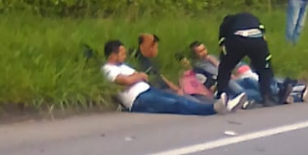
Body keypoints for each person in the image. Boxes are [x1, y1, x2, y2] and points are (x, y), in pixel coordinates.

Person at [101, 40, 245, 115]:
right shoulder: (108, 69)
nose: (124, 56)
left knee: (179, 99)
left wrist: (137, 76)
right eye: (122, 53)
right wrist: (137, 76)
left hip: (148, 91)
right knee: (176, 105)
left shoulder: (122, 67)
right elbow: (126, 80)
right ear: (112, 54)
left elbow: (141, 77)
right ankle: (214, 108)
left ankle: (223, 104)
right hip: (138, 99)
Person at [216, 12, 277, 106]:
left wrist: (225, 58)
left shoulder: (228, 21)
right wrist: (264, 60)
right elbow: (263, 35)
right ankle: (267, 96)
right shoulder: (254, 18)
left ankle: (222, 96)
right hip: (257, 39)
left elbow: (222, 42)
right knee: (264, 70)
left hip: (238, 39)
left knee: (225, 69)